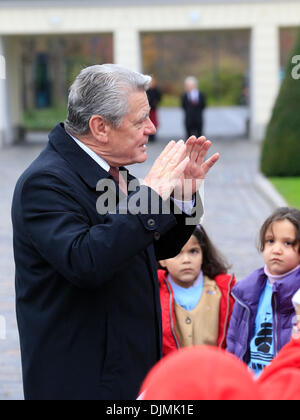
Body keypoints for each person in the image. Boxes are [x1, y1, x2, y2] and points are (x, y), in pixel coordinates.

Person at [11, 64, 220, 400]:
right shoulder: (45, 182)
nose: (152, 128)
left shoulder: (113, 172)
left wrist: (183, 194)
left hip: (129, 372)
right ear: (100, 127)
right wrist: (149, 197)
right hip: (83, 380)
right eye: (141, 120)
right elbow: (86, 261)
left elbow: (155, 246)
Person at [227, 207, 300, 377]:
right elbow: (234, 341)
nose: (276, 249)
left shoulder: (297, 296)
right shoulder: (246, 291)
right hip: (252, 381)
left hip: (286, 384)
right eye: (270, 241)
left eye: (287, 243)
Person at [158, 225, 236, 356]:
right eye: (176, 252)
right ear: (162, 259)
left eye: (193, 251)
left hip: (213, 371)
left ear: (203, 253)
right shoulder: (154, 294)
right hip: (174, 373)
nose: (186, 260)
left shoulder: (223, 291)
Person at [146, 77, 162, 142]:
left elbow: (159, 98)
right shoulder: (147, 90)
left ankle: (153, 136)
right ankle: (149, 136)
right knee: (147, 121)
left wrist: (155, 102)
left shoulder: (156, 90)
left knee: (154, 122)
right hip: (148, 109)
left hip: (153, 109)